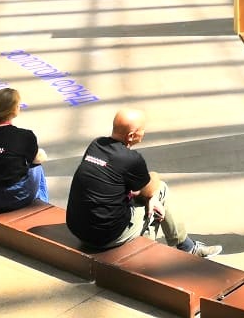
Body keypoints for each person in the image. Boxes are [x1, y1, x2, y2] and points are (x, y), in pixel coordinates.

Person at [66, 108, 221, 257]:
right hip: (106, 238)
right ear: (131, 136)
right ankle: (180, 249)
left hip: (78, 229)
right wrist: (153, 185)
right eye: (143, 129)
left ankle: (181, 245)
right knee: (160, 191)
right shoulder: (131, 159)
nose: (144, 132)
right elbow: (149, 189)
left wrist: (148, 196)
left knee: (149, 197)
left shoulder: (96, 145)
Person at [0, 88, 49, 214]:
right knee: (36, 164)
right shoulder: (24, 136)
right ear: (14, 109)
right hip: (16, 197)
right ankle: (42, 204)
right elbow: (39, 158)